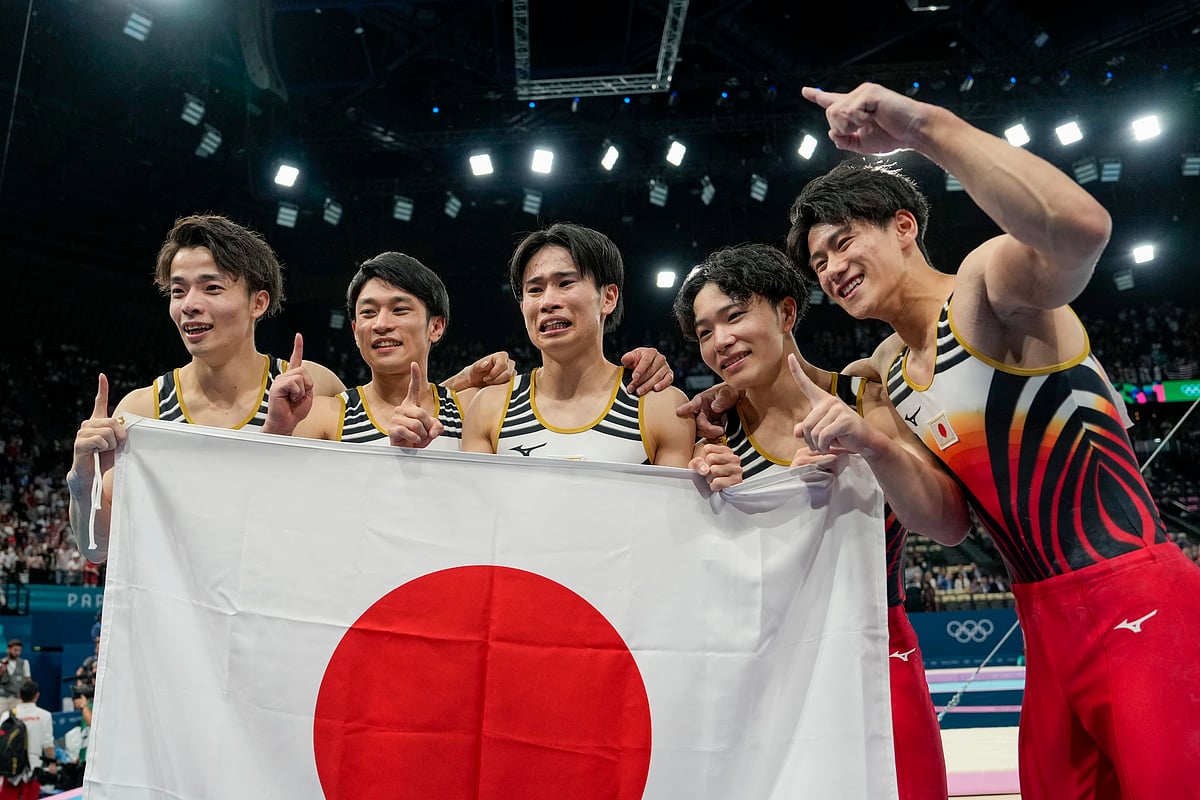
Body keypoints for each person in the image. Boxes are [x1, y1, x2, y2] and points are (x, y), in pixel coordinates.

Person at [787, 81, 1200, 797]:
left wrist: (923, 127)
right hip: (1040, 623)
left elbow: (1081, 228)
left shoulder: (983, 291)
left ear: (903, 226)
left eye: (841, 241)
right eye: (818, 262)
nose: (829, 268)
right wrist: (875, 444)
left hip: (1136, 598)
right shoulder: (888, 373)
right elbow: (946, 524)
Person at [673, 242, 967, 799]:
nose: (720, 341)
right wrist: (714, 499)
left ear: (786, 312)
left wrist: (872, 448)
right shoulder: (708, 432)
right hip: (760, 671)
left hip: (877, 649)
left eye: (734, 315)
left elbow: (948, 526)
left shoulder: (863, 396)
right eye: (704, 331)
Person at [66, 214, 346, 563]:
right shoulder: (143, 412)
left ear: (258, 302)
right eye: (178, 291)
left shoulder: (315, 387)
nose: (189, 305)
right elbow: (96, 549)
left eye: (211, 288)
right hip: (186, 616)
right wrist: (82, 482)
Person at [265, 251, 671, 446]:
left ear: (436, 326)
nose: (382, 324)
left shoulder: (476, 408)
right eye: (367, 313)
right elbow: (266, 505)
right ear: (354, 330)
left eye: (399, 309)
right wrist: (277, 431)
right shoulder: (325, 414)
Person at [463, 223, 695, 465]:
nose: (548, 301)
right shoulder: (489, 409)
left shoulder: (662, 407)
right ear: (523, 308)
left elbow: (671, 504)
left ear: (608, 298)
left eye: (565, 283)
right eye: (535, 290)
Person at [0, 681, 55, 800]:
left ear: (19, 695)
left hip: (11, 769)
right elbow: (48, 744)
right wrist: (52, 763)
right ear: (37, 695)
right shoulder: (45, 716)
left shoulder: (7, 716)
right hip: (33, 769)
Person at [0, 641, 30, 716]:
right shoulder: (1, 663)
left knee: (17, 720)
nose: (18, 653)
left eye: (19, 650)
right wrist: (1, 672)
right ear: (8, 649)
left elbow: (28, 681)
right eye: (15, 650)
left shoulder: (24, 663)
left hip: (17, 698)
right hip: (3, 698)